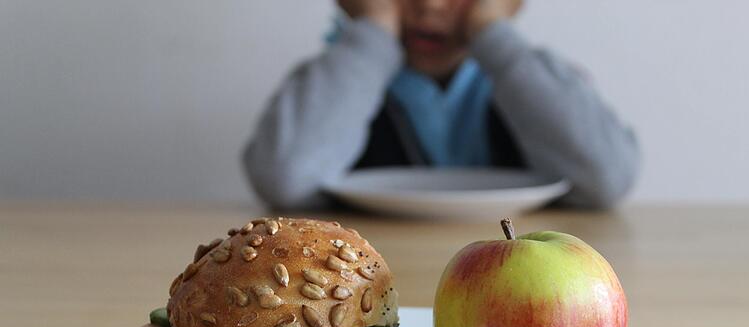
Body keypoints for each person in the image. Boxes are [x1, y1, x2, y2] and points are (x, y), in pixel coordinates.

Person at [243, 0, 639, 209]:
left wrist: (493, 35)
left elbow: (606, 178)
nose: (430, 4)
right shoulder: (338, 77)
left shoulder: (532, 79)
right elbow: (284, 177)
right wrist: (373, 33)